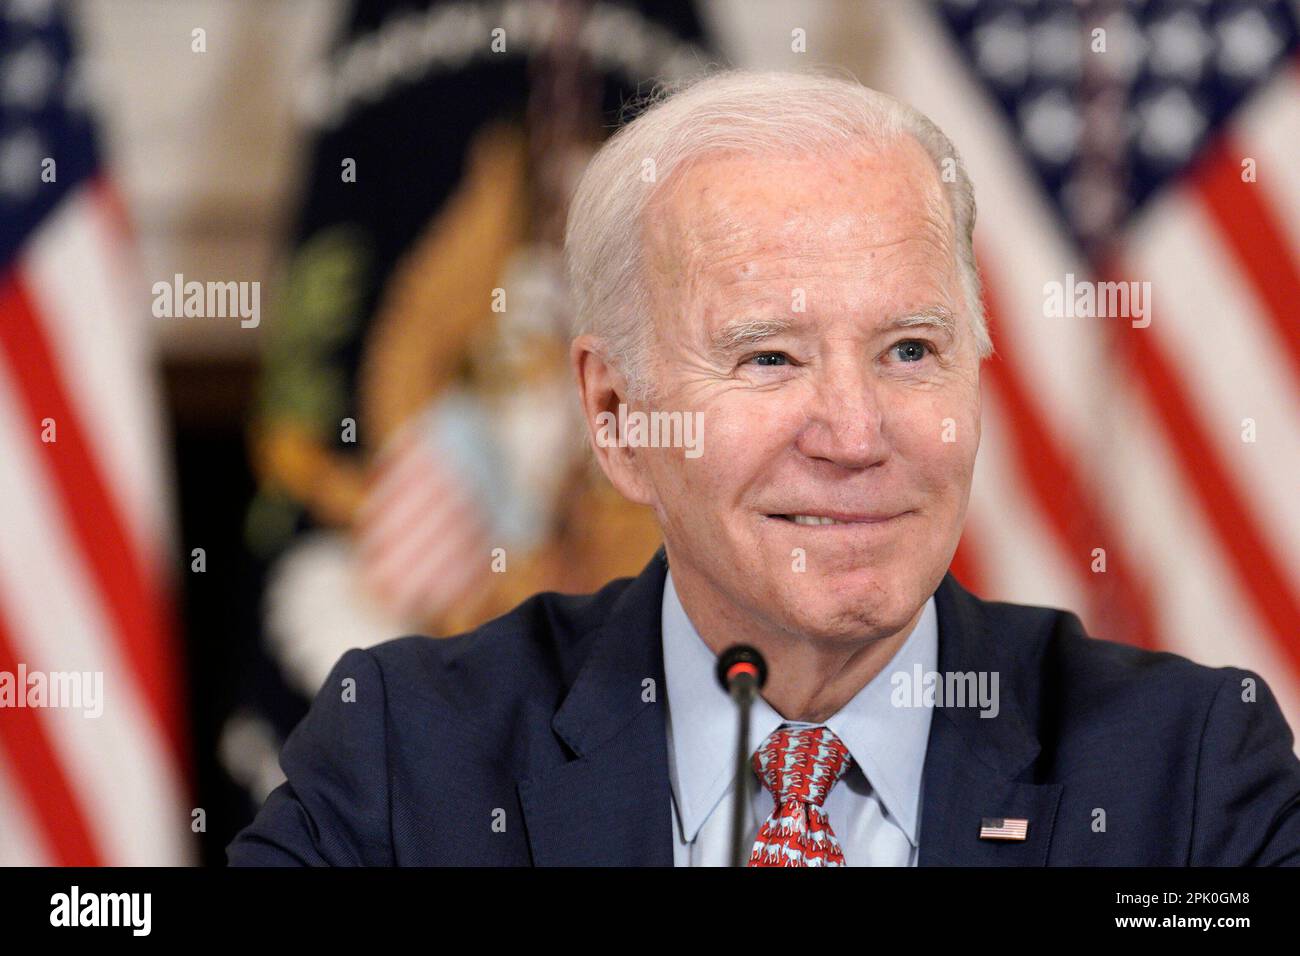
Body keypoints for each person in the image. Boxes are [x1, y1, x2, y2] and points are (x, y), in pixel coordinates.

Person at [227, 69, 1300, 866]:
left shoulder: (1185, 778)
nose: (853, 432)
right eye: (770, 356)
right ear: (616, 415)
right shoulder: (405, 761)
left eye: (910, 351)